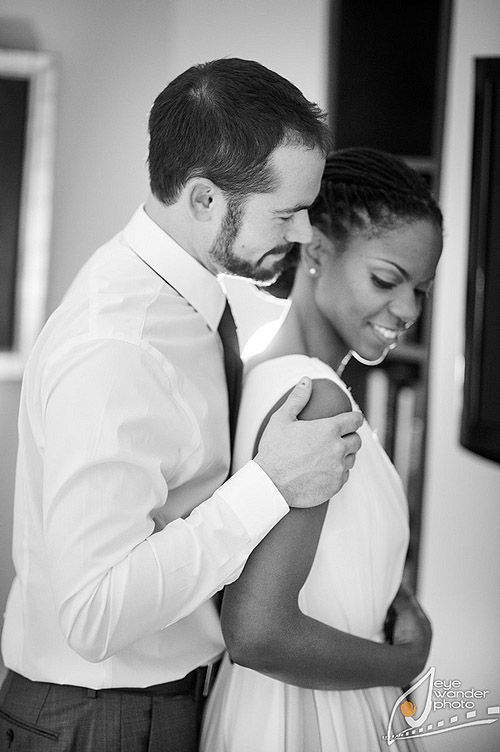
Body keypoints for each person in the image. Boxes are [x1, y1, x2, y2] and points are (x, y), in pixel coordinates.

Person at [0, 59, 363, 752]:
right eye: (286, 212)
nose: (301, 234)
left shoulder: (187, 306)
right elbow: (94, 614)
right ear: (203, 199)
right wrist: (270, 486)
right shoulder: (120, 343)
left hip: (148, 709)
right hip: (98, 721)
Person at [201, 147, 443, 752]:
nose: (409, 310)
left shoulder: (259, 371)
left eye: (421, 289)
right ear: (317, 251)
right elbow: (257, 632)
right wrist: (406, 662)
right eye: (386, 280)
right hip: (308, 718)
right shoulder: (318, 400)